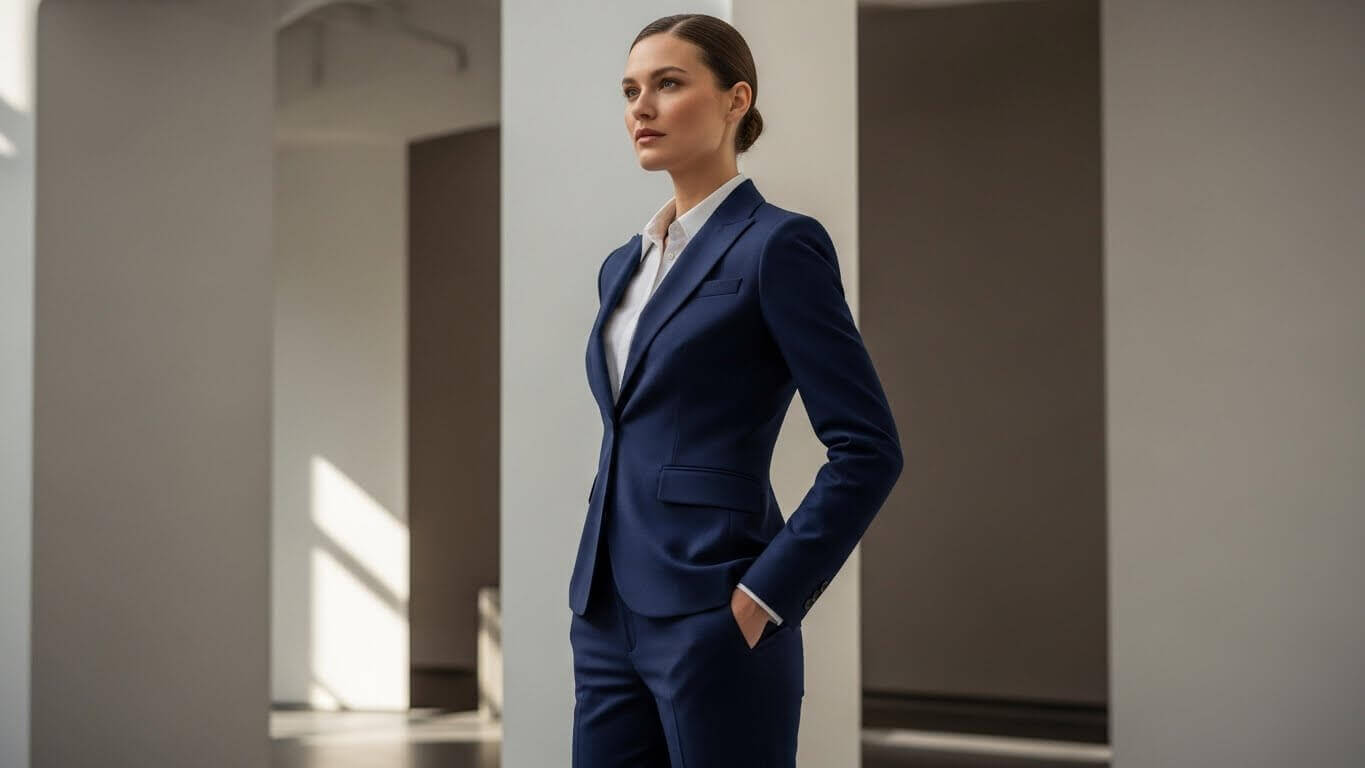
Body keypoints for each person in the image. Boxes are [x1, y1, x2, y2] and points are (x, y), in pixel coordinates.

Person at [568, 13, 903, 767]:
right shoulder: (622, 264)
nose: (640, 108)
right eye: (629, 90)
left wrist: (764, 599)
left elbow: (868, 449)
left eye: (668, 83)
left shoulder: (777, 246)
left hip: (714, 612)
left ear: (734, 101)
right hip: (604, 613)